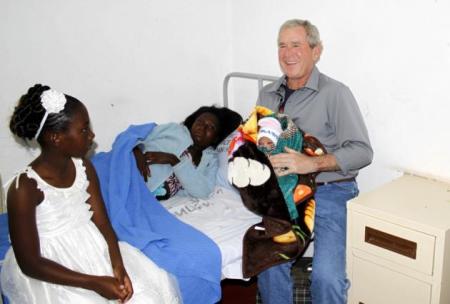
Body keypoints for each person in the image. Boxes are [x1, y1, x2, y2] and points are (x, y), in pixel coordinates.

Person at [0, 84, 181, 303]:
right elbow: (30, 263)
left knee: (148, 293)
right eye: (84, 130)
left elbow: (102, 222)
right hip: (52, 268)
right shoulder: (24, 189)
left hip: (91, 247)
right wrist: (94, 282)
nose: (92, 135)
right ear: (55, 138)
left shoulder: (83, 167)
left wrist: (117, 265)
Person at [256, 19, 373, 304]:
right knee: (269, 263)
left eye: (296, 45)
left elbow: (362, 152)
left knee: (327, 277)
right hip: (284, 191)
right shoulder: (267, 94)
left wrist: (313, 164)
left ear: (316, 51)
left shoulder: (335, 93)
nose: (288, 53)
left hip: (330, 190)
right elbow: (261, 141)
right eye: (282, 46)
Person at [133, 106, 242, 200]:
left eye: (210, 127)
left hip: (144, 200)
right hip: (131, 177)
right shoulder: (174, 130)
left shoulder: (210, 160)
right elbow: (133, 136)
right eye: (200, 122)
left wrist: (173, 160)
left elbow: (204, 192)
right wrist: (135, 151)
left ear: (216, 138)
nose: (202, 128)